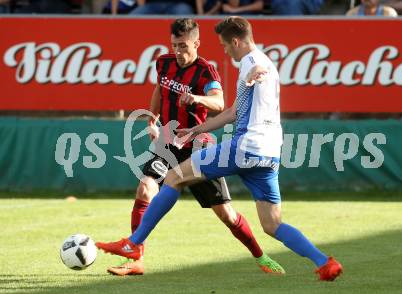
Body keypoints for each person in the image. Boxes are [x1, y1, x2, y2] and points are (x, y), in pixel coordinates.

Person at [96, 16, 343, 281]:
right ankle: (324, 262)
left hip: (247, 146)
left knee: (174, 177)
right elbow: (234, 111)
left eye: (225, 45)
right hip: (269, 153)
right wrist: (196, 129)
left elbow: (251, 74)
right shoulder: (265, 63)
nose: (224, 50)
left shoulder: (252, 62)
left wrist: (251, 74)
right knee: (272, 225)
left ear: (236, 41)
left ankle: (133, 244)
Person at [129, 0, 194, 15]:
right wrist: (141, 6)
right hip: (152, 5)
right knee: (131, 19)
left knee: (185, 19)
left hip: (178, 3)